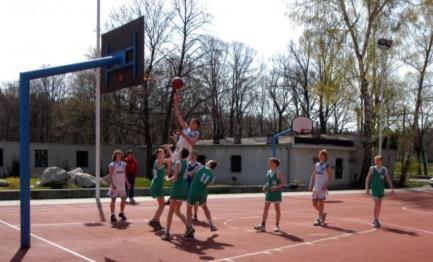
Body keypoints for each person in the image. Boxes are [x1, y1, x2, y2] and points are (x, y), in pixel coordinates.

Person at [161, 148, 190, 241]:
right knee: (177, 210)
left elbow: (175, 178)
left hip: (177, 188)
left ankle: (167, 232)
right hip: (183, 188)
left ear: (181, 153)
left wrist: (167, 179)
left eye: (179, 151)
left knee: (171, 211)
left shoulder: (178, 163)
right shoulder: (186, 162)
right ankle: (189, 226)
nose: (178, 152)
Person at [185, 160, 218, 237]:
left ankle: (189, 227)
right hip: (202, 192)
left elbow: (191, 174)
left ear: (209, 164)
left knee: (189, 209)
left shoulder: (200, 167)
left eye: (208, 162)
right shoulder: (213, 176)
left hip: (193, 190)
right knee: (205, 207)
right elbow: (208, 184)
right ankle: (211, 225)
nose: (206, 162)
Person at [254, 157, 286, 233]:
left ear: (274, 163)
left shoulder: (279, 172)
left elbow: (284, 182)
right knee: (265, 209)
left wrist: (277, 187)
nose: (268, 163)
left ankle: (277, 226)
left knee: (277, 209)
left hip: (276, 193)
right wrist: (265, 186)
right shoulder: (268, 172)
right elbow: (269, 182)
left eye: (270, 162)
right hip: (269, 192)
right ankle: (263, 225)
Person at [365, 155, 394, 228]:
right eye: (375, 160)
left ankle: (376, 218)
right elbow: (368, 179)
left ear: (381, 161)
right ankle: (375, 219)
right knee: (376, 204)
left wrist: (391, 188)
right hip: (374, 189)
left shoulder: (384, 169)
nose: (375, 162)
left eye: (377, 160)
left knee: (379, 205)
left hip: (381, 189)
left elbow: (388, 178)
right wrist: (367, 188)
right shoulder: (372, 168)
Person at [148, 145, 172, 231]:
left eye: (163, 153)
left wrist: (169, 165)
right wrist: (169, 149)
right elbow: (171, 158)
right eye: (161, 153)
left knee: (161, 205)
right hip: (156, 186)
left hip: (158, 185)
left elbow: (167, 175)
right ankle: (154, 220)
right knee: (162, 205)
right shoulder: (158, 161)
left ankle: (156, 221)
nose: (163, 154)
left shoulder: (161, 163)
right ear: (158, 155)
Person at [172, 92, 200, 162]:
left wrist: (184, 135)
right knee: (173, 170)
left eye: (193, 122)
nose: (191, 122)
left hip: (186, 155)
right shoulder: (185, 127)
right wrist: (176, 103)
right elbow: (178, 116)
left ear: (197, 126)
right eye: (191, 121)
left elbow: (192, 143)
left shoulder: (196, 133)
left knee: (181, 171)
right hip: (178, 151)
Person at [309, 149, 333, 226]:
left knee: (321, 203)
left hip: (322, 188)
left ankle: (320, 219)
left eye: (322, 155)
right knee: (314, 203)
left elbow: (330, 178)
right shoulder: (316, 165)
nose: (320, 156)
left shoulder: (327, 166)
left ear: (325, 156)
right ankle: (323, 214)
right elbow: (313, 175)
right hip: (316, 187)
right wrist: (310, 184)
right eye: (319, 155)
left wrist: (325, 186)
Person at [108, 149, 131, 223]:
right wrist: (113, 184)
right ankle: (112, 215)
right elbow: (110, 176)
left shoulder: (123, 164)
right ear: (115, 156)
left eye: (120, 155)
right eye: (117, 155)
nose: (119, 156)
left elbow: (124, 174)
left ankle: (121, 212)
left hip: (122, 186)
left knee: (123, 199)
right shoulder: (112, 165)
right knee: (113, 200)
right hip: (115, 186)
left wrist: (127, 183)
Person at [186, 150, 202, 222]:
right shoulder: (187, 164)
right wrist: (191, 173)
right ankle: (190, 214)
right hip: (188, 184)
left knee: (195, 201)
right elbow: (186, 174)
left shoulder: (199, 165)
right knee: (188, 200)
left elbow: (196, 173)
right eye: (191, 155)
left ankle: (195, 215)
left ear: (196, 156)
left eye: (194, 155)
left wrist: (191, 173)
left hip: (195, 185)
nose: (192, 156)